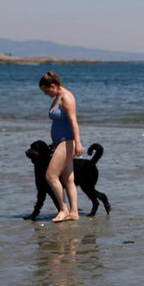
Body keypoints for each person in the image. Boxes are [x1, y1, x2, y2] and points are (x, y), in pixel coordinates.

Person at [38, 71, 84, 222]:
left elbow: (73, 122)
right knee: (68, 179)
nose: (46, 94)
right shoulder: (57, 97)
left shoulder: (67, 98)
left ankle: (63, 209)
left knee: (50, 176)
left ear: (53, 86)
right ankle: (74, 212)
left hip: (67, 142)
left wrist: (78, 143)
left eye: (46, 91)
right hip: (59, 143)